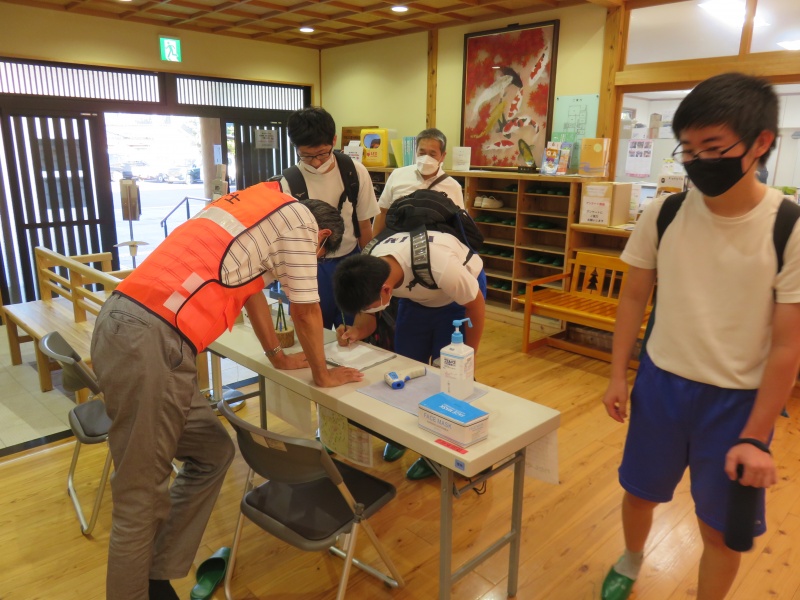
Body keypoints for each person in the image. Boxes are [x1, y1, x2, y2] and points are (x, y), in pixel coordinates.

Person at [90, 184, 364, 600]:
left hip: (135, 326)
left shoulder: (261, 209)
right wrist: (323, 375)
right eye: (319, 257)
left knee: (213, 452)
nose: (313, 262)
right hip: (150, 338)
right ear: (322, 237)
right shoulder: (301, 223)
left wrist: (277, 355)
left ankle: (158, 576)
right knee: (140, 496)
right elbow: (306, 308)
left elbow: (251, 292)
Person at [600, 73, 800, 600]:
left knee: (719, 529)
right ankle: (631, 557)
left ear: (760, 141)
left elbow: (788, 346)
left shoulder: (789, 227)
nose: (698, 161)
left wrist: (756, 436)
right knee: (639, 493)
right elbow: (632, 299)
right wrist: (618, 375)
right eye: (688, 149)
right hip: (661, 385)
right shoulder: (664, 213)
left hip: (738, 402)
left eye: (713, 147)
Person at [333, 230, 487, 479]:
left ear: (386, 291)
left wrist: (468, 359)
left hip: (458, 302)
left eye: (367, 307)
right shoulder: (369, 268)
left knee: (448, 380)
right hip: (417, 299)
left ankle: (438, 455)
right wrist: (356, 331)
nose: (365, 310)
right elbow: (368, 317)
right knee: (403, 369)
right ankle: (403, 433)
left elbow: (475, 306)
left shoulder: (442, 265)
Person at [281, 106, 380, 329]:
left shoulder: (354, 172)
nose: (316, 162)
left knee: (353, 332)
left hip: (350, 263)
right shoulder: (288, 183)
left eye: (323, 153)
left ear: (334, 140)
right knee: (312, 331)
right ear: (295, 147)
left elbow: (365, 226)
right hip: (309, 268)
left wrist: (368, 271)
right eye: (306, 155)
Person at [373, 127, 464, 236]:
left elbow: (459, 223)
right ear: (416, 151)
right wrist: (373, 242)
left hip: (435, 242)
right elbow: (383, 211)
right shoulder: (397, 175)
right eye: (422, 153)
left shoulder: (453, 186)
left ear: (443, 156)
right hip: (397, 240)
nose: (426, 158)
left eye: (432, 154)